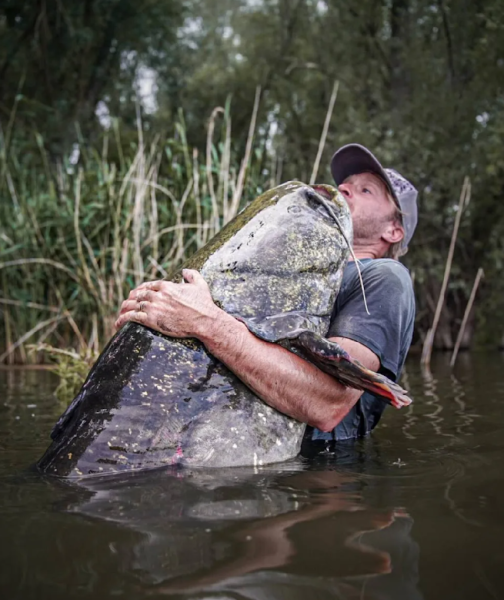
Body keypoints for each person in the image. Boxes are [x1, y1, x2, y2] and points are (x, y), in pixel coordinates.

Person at [115, 144, 418, 443]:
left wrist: (206, 323)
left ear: (393, 231)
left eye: (366, 190)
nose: (344, 189)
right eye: (346, 184)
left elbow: (328, 405)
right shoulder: (305, 270)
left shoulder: (384, 276)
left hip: (315, 473)